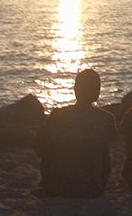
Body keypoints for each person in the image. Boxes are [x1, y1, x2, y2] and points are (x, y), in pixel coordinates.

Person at [33, 68, 118, 197]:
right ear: (97, 92)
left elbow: (39, 146)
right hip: (93, 186)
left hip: (58, 185)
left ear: (76, 90)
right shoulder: (107, 119)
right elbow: (109, 143)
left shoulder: (59, 115)